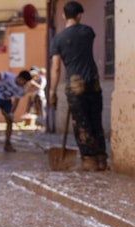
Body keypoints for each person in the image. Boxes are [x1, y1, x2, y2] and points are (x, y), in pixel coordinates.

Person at [49, 0, 107, 171]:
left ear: (63, 15)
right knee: (96, 120)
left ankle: (88, 161)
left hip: (75, 84)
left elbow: (56, 67)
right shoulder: (88, 32)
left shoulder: (58, 39)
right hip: (94, 82)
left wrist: (52, 92)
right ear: (80, 15)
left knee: (81, 122)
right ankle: (102, 159)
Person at [0, 70, 33, 152]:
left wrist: (11, 112)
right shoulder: (7, 76)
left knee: (9, 121)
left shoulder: (20, 89)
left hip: (6, 100)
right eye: (23, 82)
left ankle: (7, 143)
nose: (24, 84)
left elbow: (16, 102)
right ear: (19, 78)